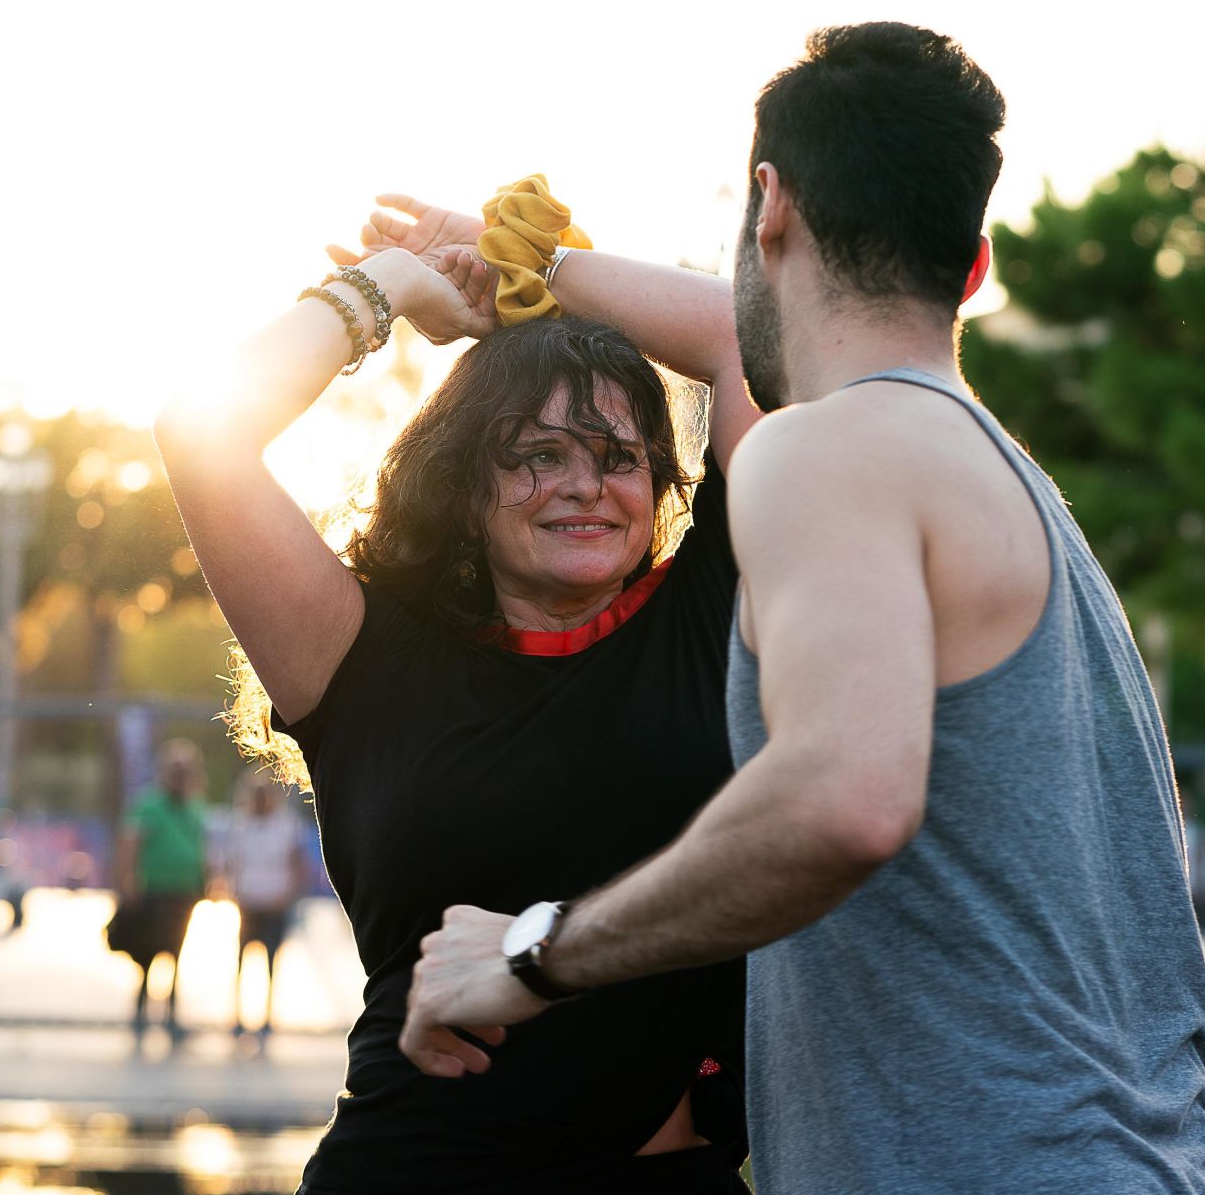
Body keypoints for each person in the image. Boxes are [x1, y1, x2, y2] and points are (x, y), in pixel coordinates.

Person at [400, 23, 1205, 1193]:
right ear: (975, 268)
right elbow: (735, 340)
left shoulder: (826, 454)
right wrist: (523, 267)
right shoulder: (1000, 479)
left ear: (769, 204)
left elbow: (843, 801)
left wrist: (529, 951)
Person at [157, 179, 761, 1192]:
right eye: (537, 454)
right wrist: (397, 283)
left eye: (619, 457)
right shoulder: (360, 654)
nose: (583, 484)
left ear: (659, 479)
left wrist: (537, 264)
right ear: (463, 484)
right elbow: (200, 434)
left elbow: (752, 341)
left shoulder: (708, 610)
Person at [117, 737, 210, 1041]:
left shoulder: (195, 807)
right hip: (154, 891)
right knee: (148, 954)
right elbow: (130, 846)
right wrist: (128, 884)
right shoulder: (149, 805)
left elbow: (201, 848)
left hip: (184, 893)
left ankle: (171, 1015)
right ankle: (141, 1013)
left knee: (177, 953)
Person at [213, 767, 308, 1040]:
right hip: (247, 903)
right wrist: (228, 891)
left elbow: (297, 864)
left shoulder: (287, 825)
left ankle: (266, 1017)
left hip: (274, 903)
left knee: (270, 963)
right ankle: (238, 1016)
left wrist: (288, 895)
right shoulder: (240, 824)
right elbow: (229, 862)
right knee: (241, 962)